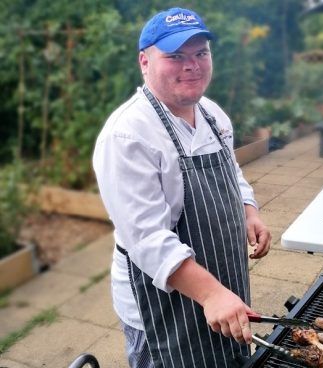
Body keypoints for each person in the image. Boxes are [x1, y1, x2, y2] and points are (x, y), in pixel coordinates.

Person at [93, 7, 271, 368]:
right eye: (175, 56)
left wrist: (248, 209)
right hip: (162, 309)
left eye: (200, 53)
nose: (192, 64)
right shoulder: (128, 135)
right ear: (145, 61)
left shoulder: (211, 114)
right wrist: (211, 294)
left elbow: (233, 173)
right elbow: (147, 239)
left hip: (221, 285)